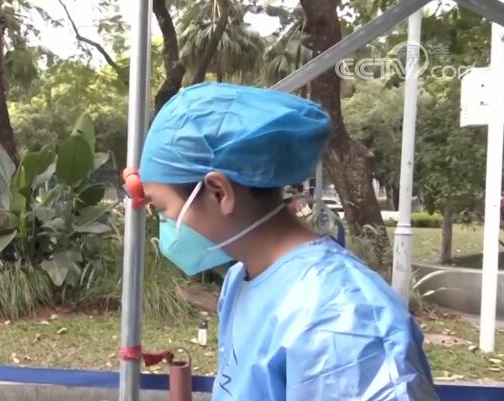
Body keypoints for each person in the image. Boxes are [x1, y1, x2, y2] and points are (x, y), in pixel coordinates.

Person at [136, 83, 437, 400]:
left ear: (219, 192)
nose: (164, 225)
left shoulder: (343, 317)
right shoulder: (241, 279)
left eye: (162, 209)